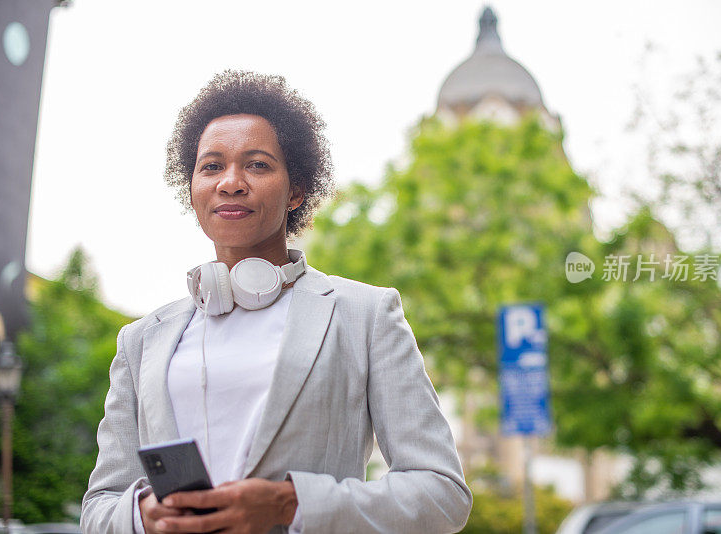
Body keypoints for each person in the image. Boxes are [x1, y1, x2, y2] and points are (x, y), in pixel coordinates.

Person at [81, 70, 472, 534]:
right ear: (192, 188)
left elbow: (441, 494)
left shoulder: (365, 316)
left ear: (297, 190)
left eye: (258, 165)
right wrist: (142, 516)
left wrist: (292, 504)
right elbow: (99, 505)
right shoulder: (141, 341)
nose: (231, 182)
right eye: (211, 166)